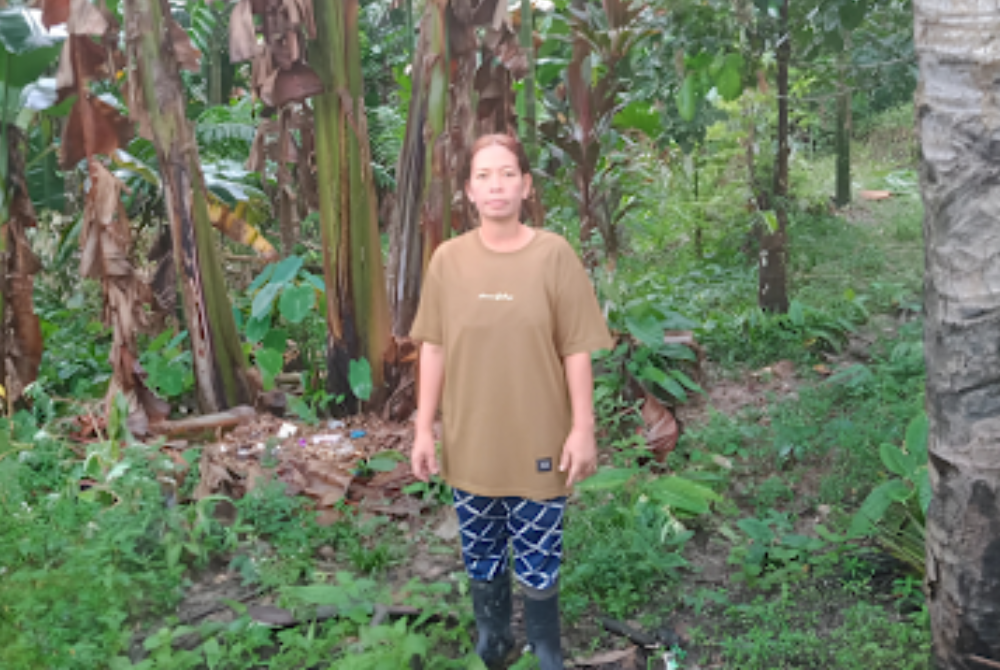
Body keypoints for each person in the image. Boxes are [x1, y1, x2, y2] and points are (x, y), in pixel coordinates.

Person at [409, 133, 612, 669]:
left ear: (525, 185)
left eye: (506, 174)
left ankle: (546, 648)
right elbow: (434, 346)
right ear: (468, 192)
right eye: (483, 176)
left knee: (540, 551)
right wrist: (423, 428)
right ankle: (493, 639)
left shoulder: (554, 256)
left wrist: (582, 428)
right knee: (480, 549)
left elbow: (576, 349)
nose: (495, 184)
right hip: (469, 440)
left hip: (540, 437)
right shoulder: (448, 261)